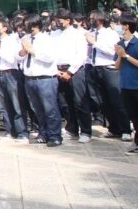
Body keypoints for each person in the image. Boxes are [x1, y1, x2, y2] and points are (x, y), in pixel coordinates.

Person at [88, 11, 132, 141]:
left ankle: (126, 130)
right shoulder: (92, 33)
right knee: (103, 102)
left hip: (109, 68)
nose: (90, 21)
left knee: (117, 100)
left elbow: (114, 52)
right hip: (96, 68)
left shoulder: (110, 33)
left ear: (100, 19)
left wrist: (95, 43)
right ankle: (113, 128)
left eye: (92, 19)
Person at [22, 14, 63, 147]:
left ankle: (55, 135)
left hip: (45, 78)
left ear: (35, 25)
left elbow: (49, 57)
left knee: (50, 109)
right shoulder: (26, 38)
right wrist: (23, 51)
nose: (25, 27)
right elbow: (21, 56)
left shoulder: (46, 39)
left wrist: (32, 50)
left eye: (28, 24)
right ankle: (43, 133)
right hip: (30, 78)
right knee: (37, 109)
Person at [53, 8, 92, 143]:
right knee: (64, 103)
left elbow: (81, 54)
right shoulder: (54, 35)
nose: (57, 23)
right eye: (56, 20)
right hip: (59, 70)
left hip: (75, 71)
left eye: (60, 20)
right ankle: (72, 129)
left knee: (79, 102)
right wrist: (56, 70)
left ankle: (86, 131)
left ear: (68, 20)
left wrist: (70, 72)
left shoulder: (77, 34)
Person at [0, 17, 29, 141]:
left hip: (10, 73)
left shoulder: (12, 40)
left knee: (16, 104)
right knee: (3, 105)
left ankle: (22, 132)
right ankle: (9, 130)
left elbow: (12, 59)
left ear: (5, 28)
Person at [113, 16, 138, 154]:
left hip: (136, 85)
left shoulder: (137, 43)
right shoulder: (120, 43)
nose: (117, 26)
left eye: (119, 24)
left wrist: (125, 56)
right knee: (133, 116)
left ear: (126, 26)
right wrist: (119, 55)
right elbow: (117, 66)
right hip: (125, 85)